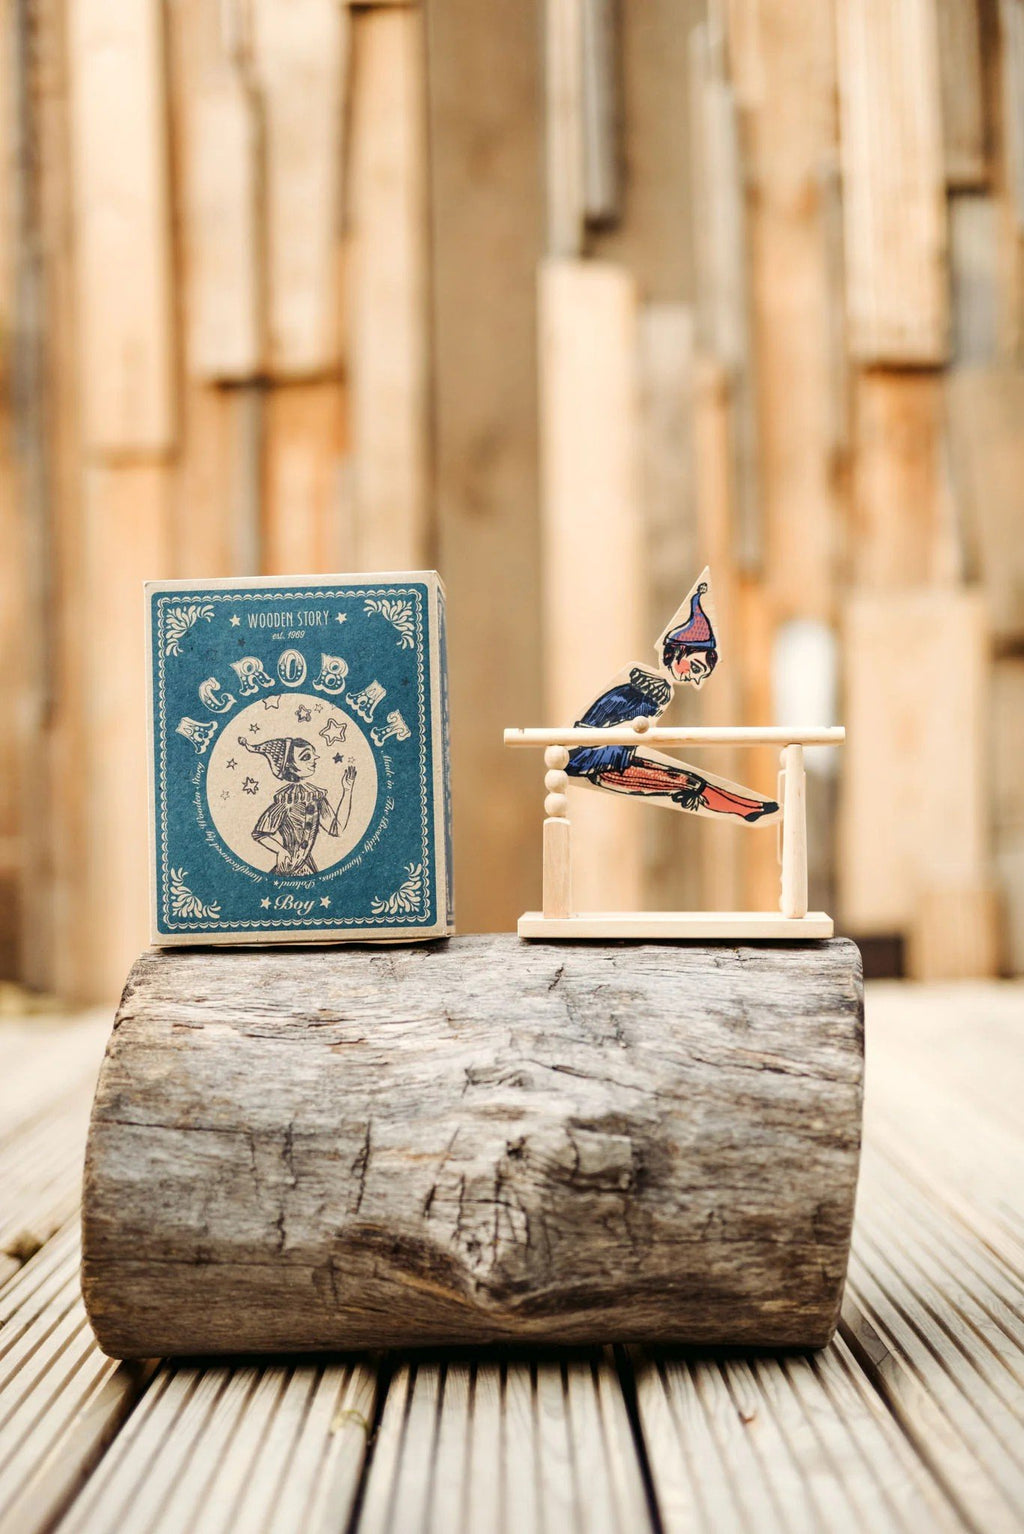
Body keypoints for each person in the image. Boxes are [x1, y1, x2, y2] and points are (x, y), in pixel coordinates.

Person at [565, 580, 779, 823]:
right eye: (695, 667)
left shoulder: (657, 688)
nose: (695, 677)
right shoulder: (648, 688)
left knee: (691, 780)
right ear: (677, 652)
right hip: (598, 763)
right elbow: (605, 727)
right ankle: (743, 808)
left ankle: (747, 806)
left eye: (701, 674)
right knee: (689, 783)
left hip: (615, 758)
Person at [238, 735, 356, 875]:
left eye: (313, 754)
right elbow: (259, 833)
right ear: (290, 766)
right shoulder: (287, 799)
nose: (314, 759)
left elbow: (336, 829)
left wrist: (347, 791)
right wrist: (280, 851)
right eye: (306, 757)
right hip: (288, 867)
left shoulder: (316, 797)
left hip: (307, 866)